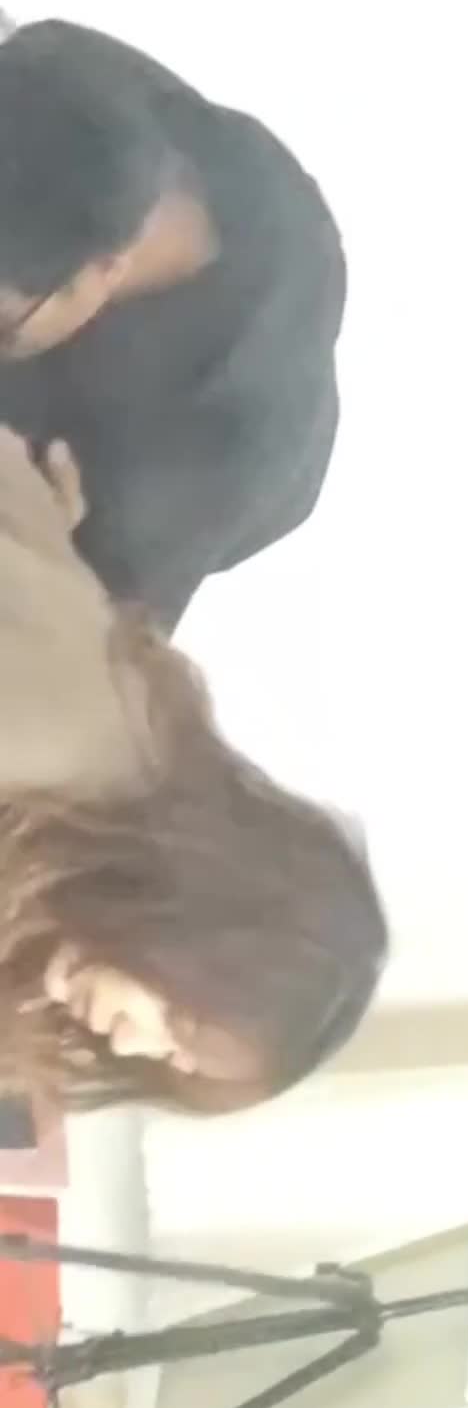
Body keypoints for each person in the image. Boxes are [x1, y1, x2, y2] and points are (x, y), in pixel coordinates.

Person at [0, 426, 386, 1113]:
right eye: (176, 1023)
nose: (131, 1043)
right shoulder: (54, 747)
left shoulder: (128, 771)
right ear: (203, 927)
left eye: (171, 1056)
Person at [0, 17, 346, 631]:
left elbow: (91, 653)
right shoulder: (57, 74)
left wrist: (39, 549)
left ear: (101, 272)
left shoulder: (188, 464)